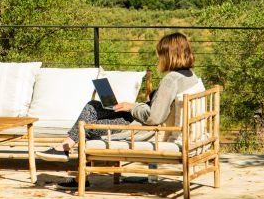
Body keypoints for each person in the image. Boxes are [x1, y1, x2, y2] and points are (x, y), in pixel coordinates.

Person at [35, 32, 204, 187]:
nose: (159, 59)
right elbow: (159, 108)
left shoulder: (171, 80)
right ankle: (67, 151)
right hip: (140, 120)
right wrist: (134, 105)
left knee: (90, 114)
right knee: (94, 111)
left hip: (141, 128)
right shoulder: (189, 76)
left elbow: (154, 118)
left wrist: (133, 106)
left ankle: (65, 149)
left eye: (160, 55)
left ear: (169, 55)